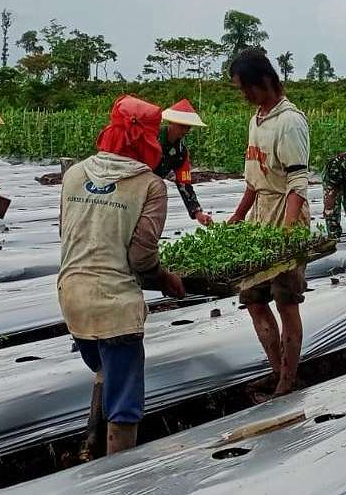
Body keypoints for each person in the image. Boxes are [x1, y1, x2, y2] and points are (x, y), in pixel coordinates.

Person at [58, 95, 185, 457]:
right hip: (115, 306)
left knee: (103, 370)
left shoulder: (74, 174)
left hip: (71, 295)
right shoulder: (150, 186)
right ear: (149, 139)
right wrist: (165, 279)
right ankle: (117, 478)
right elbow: (142, 256)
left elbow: (67, 234)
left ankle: (90, 447)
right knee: (125, 406)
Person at [226, 48, 310, 399]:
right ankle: (278, 371)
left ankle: (288, 381)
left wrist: (287, 234)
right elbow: (253, 181)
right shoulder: (256, 120)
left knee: (285, 301)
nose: (243, 95)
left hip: (285, 217)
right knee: (254, 300)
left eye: (245, 87)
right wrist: (237, 217)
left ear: (263, 81)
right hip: (260, 220)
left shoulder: (290, 121)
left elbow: (297, 183)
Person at [154, 99, 213, 226]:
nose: (185, 130)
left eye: (188, 127)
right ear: (171, 122)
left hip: (152, 192)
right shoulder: (152, 139)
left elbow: (184, 183)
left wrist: (198, 212)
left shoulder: (181, 153)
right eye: (181, 126)